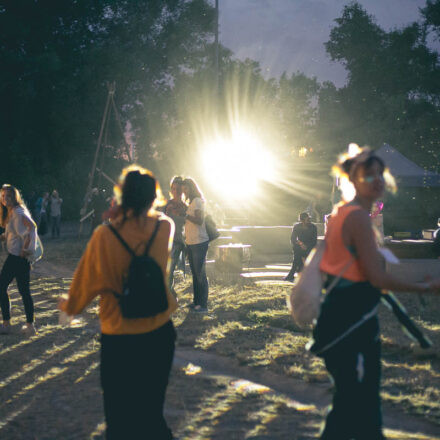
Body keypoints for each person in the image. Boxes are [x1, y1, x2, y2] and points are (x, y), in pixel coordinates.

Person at [311, 147, 440, 440]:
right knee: (355, 401)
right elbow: (376, 276)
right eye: (368, 175)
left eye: (380, 173)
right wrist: (423, 287)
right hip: (350, 321)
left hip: (344, 317)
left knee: (354, 401)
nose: (377, 180)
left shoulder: (343, 212)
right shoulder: (356, 218)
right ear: (354, 180)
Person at [59, 166, 178, 439]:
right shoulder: (164, 228)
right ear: (153, 197)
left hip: (119, 335)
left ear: (120, 197)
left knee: (119, 418)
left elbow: (85, 284)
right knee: (151, 414)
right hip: (159, 333)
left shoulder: (105, 235)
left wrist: (69, 306)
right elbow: (158, 217)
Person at [0, 184, 38, 335]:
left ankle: (7, 324)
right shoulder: (12, 212)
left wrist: (25, 250)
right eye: (3, 196)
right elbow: (14, 232)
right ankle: (30, 326)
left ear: (14, 197)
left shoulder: (18, 212)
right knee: (24, 291)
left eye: (8, 196)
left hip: (17, 258)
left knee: (2, 288)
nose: (5, 199)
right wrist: (4, 237)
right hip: (18, 258)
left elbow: (32, 228)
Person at [182, 177, 209, 313]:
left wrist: (185, 216)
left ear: (191, 188)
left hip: (199, 242)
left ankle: (203, 304)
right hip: (191, 242)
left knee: (200, 273)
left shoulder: (197, 201)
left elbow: (199, 220)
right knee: (194, 273)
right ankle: (196, 302)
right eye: (183, 189)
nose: (184, 191)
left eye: (185, 188)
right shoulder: (190, 202)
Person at [164, 176, 187, 295]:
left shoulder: (185, 207)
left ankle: (168, 297)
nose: (175, 191)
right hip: (164, 242)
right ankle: (171, 294)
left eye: (178, 189)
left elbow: (188, 225)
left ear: (182, 191)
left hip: (177, 242)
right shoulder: (166, 204)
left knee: (169, 270)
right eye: (173, 189)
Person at [284, 212, 317, 282]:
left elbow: (314, 240)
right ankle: (293, 274)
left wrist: (306, 246)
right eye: (306, 219)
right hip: (299, 246)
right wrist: (301, 244)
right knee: (296, 256)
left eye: (309, 219)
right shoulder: (297, 226)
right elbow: (293, 239)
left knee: (305, 257)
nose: (308, 220)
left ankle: (299, 273)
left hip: (309, 246)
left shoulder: (313, 227)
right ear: (302, 220)